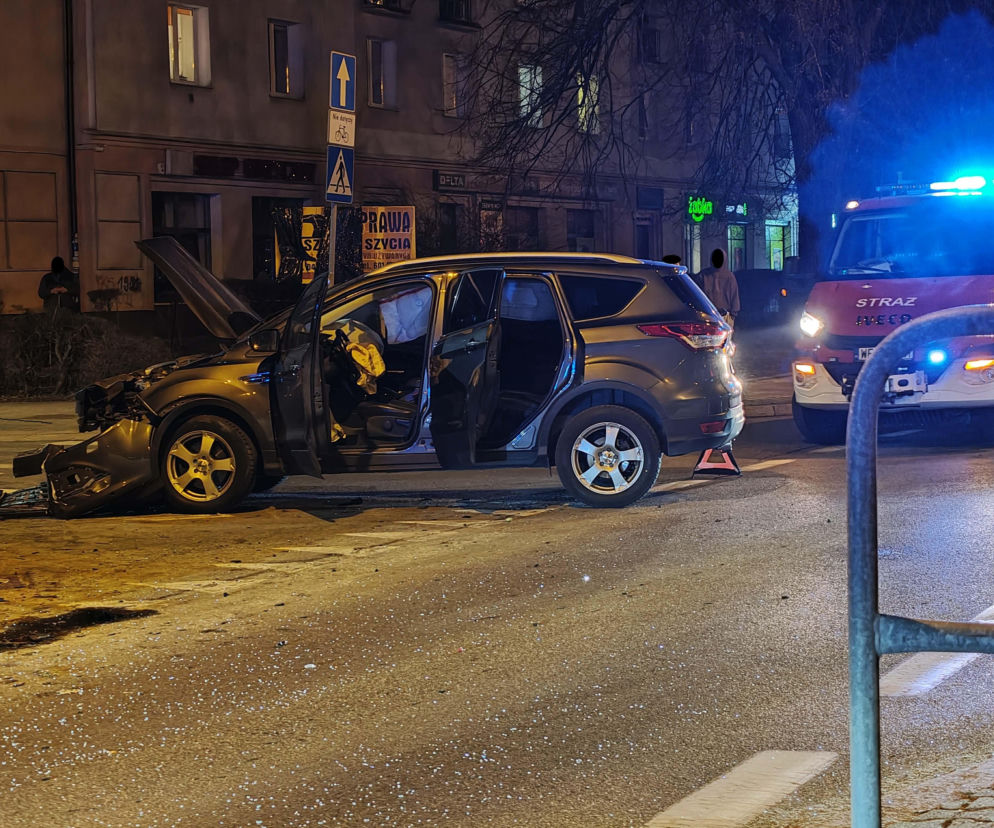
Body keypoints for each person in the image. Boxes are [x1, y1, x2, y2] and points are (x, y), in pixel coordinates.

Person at [696, 247, 739, 327]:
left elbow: (734, 296)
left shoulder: (703, 275)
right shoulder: (703, 275)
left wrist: (732, 315)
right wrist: (733, 314)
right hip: (710, 316)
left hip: (718, 315)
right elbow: (734, 297)